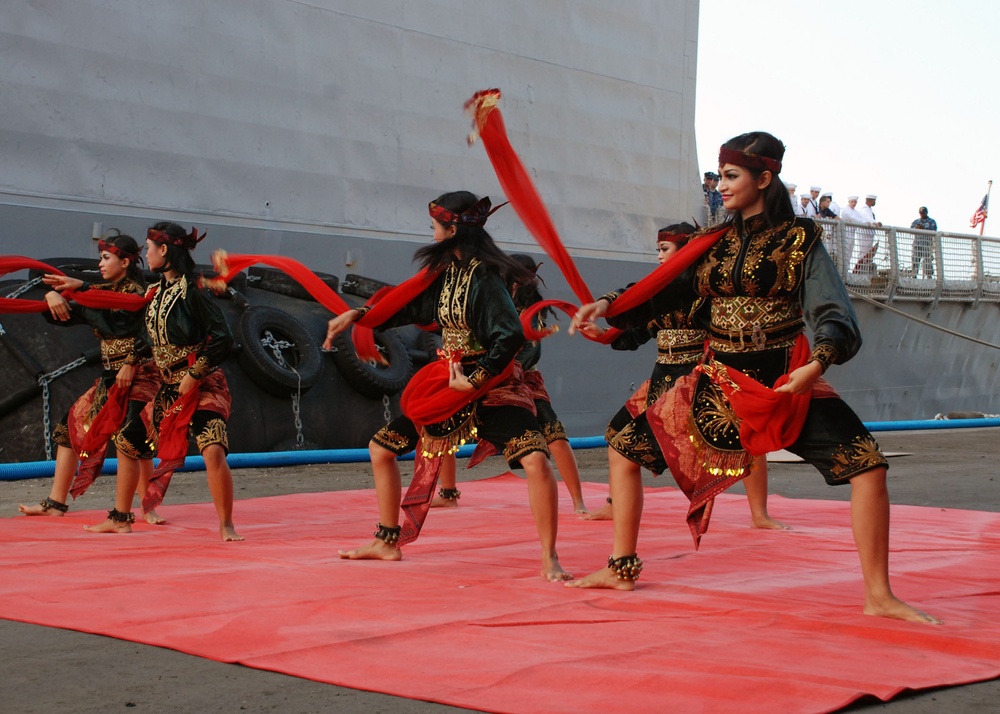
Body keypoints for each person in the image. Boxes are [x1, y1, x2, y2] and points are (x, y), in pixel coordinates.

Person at [568, 131, 939, 624]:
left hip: (785, 379)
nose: (720, 185)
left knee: (867, 466)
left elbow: (832, 310)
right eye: (721, 176)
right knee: (623, 446)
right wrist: (609, 305)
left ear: (763, 179)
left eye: (731, 176)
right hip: (720, 383)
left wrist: (817, 364)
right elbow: (664, 290)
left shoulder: (799, 239)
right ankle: (621, 567)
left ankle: (879, 595)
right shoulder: (712, 244)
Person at [326, 191, 571, 581]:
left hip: (489, 385)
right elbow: (413, 307)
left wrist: (475, 379)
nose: (432, 233)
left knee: (536, 460)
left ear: (452, 229)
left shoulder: (485, 275)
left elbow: (509, 335)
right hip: (450, 382)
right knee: (381, 448)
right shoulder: (448, 272)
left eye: (435, 226)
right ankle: (387, 541)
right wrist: (358, 315)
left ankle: (549, 558)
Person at [578, 223, 784, 529]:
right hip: (662, 377)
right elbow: (636, 330)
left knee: (746, 440)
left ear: (686, 250)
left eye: (664, 249)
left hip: (697, 378)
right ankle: (614, 505)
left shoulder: (705, 289)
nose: (659, 256)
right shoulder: (658, 289)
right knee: (617, 433)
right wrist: (604, 333)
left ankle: (760, 514)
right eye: (658, 250)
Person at [85, 222, 242, 541]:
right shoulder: (156, 292)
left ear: (164, 250)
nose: (147, 254)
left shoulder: (193, 289)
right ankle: (120, 517)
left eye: (149, 248)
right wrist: (131, 361)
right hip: (169, 386)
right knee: (128, 441)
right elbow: (149, 337)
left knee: (212, 448)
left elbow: (222, 337)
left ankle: (227, 524)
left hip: (203, 383)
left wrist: (195, 374)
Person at [432, 253, 589, 515]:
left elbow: (531, 351)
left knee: (554, 434)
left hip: (519, 379)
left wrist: (505, 370)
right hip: (483, 375)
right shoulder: (491, 299)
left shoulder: (530, 310)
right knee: (446, 425)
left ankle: (578, 502)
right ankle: (448, 494)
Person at [18, 233, 160, 520]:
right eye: (100, 258)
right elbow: (70, 313)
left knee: (134, 440)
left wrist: (81, 292)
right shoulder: (99, 294)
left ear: (125, 262)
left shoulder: (137, 295)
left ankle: (148, 508)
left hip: (141, 374)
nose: (101, 264)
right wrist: (51, 297)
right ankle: (55, 504)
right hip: (111, 376)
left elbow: (133, 324)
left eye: (106, 258)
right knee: (68, 430)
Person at [854, 194, 882, 274]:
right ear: (870, 200)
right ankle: (860, 271)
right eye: (874, 201)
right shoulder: (864, 210)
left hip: (869, 235)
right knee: (863, 253)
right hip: (864, 235)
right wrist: (875, 222)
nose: (875, 202)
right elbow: (867, 218)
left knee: (868, 254)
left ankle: (865, 271)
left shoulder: (869, 209)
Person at [838, 195, 865, 271]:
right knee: (845, 252)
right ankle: (843, 269)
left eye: (855, 202)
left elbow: (860, 218)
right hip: (846, 233)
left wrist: (866, 222)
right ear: (849, 202)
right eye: (852, 202)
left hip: (852, 233)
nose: (854, 203)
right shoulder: (846, 210)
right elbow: (854, 218)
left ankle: (847, 269)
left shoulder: (855, 211)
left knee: (850, 252)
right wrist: (864, 222)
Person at [910, 207, 937, 278]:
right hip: (917, 244)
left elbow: (934, 231)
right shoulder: (916, 222)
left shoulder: (931, 221)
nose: (922, 214)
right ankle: (914, 276)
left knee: (927, 261)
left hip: (926, 245)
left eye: (923, 213)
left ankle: (929, 276)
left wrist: (924, 229)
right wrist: (917, 228)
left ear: (926, 213)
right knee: (915, 260)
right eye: (921, 213)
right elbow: (910, 230)